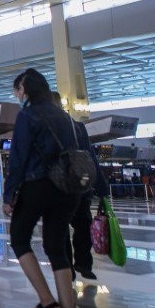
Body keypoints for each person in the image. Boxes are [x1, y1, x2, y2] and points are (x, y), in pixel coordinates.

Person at [4, 68, 81, 308]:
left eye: (16, 91)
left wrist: (9, 196)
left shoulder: (28, 116)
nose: (17, 96)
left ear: (23, 90)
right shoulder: (65, 115)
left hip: (38, 184)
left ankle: (47, 302)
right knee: (56, 246)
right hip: (68, 187)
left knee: (18, 238)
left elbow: (18, 159)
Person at [52, 92, 109, 280]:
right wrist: (101, 187)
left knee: (60, 229)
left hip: (57, 186)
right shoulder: (77, 127)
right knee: (82, 225)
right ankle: (83, 263)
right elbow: (89, 157)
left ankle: (68, 267)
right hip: (79, 185)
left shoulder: (45, 127)